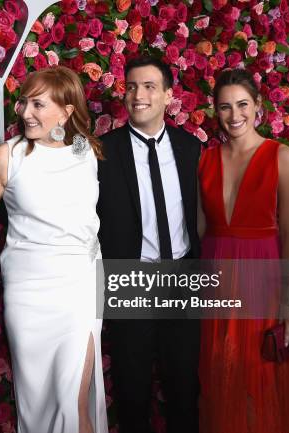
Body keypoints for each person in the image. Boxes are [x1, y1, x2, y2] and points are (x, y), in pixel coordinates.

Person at [0, 66, 109, 433]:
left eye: (39, 104)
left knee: (73, 403)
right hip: (28, 294)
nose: (26, 112)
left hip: (78, 288)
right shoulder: (8, 156)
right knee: (38, 403)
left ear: (67, 110)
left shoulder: (85, 151)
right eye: (24, 102)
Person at [197, 68, 289, 433]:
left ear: (258, 106)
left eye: (243, 104)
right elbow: (200, 232)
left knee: (257, 378)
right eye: (225, 107)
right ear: (216, 110)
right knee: (220, 375)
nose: (235, 116)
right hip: (216, 285)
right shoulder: (204, 161)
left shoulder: (282, 158)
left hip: (263, 285)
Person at [97, 56, 202, 433]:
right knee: (132, 390)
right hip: (131, 282)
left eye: (149, 87)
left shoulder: (191, 150)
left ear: (168, 96)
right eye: (131, 87)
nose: (138, 95)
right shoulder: (102, 151)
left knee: (184, 387)